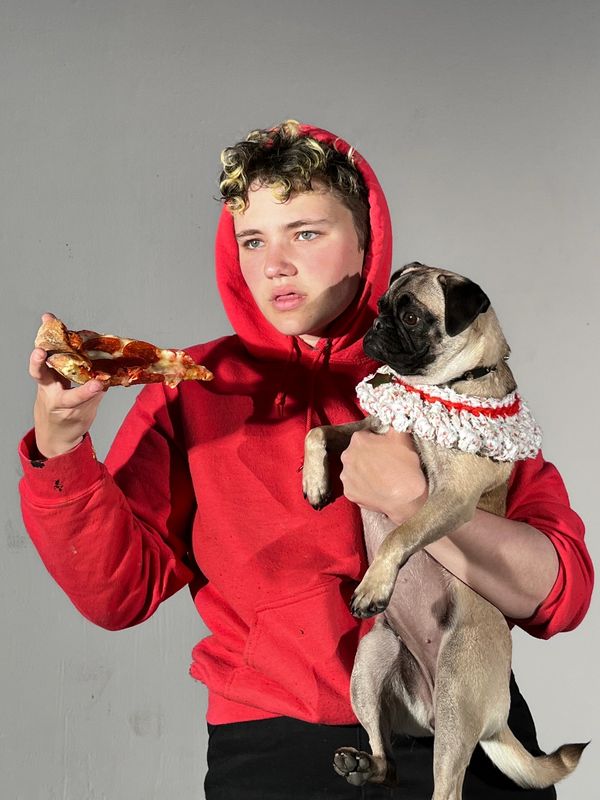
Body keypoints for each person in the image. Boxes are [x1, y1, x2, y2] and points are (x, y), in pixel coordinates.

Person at [20, 120, 593, 799]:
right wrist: (61, 448)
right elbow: (119, 592)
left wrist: (414, 503)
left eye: (306, 233)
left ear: (366, 240)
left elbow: (560, 594)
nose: (275, 264)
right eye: (253, 240)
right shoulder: (195, 388)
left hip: (460, 730)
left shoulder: (454, 379)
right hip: (277, 752)